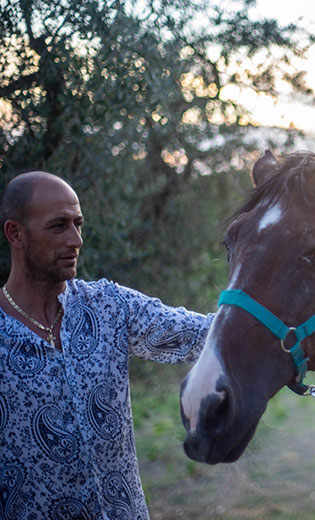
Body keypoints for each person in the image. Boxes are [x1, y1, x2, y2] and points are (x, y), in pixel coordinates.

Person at [0, 171, 213, 519]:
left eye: (78, 224)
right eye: (58, 226)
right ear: (16, 234)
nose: (76, 239)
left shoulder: (109, 306)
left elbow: (203, 334)